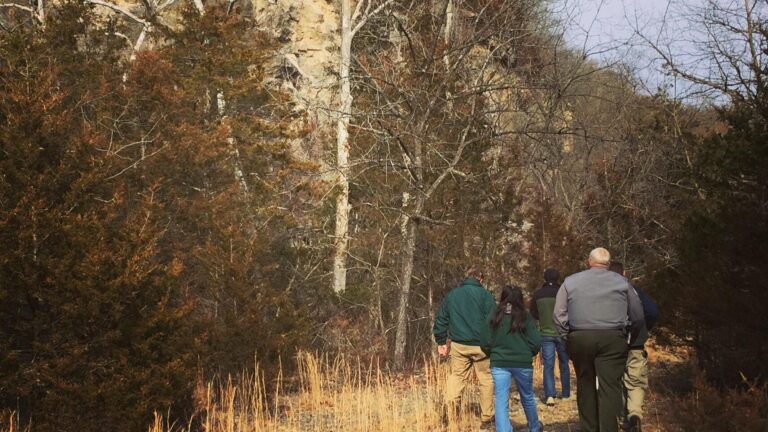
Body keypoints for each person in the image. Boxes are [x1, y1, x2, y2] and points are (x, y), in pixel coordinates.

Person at [553, 248, 645, 432]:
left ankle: (589, 428)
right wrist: (629, 336)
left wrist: (567, 335)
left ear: (589, 261)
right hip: (613, 337)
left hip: (580, 336)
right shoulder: (622, 282)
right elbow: (638, 316)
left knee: (585, 382)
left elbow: (558, 314)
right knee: (610, 386)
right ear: (608, 265)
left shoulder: (570, 282)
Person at [433, 266, 497, 429]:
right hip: (482, 346)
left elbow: (441, 319)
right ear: (480, 278)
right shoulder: (486, 295)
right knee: (485, 379)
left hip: (459, 345)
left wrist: (441, 341)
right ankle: (487, 418)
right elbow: (494, 321)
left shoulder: (453, 295)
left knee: (457, 377)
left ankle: (448, 414)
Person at [480, 285, 542, 432]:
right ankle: (534, 427)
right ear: (520, 299)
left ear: (502, 297)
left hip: (499, 363)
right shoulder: (525, 316)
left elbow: (484, 340)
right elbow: (536, 342)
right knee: (527, 396)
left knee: (501, 400)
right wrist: (528, 354)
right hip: (522, 363)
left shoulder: (494, 315)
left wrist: (492, 353)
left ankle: (503, 430)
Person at [608, 261, 659, 432]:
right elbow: (652, 311)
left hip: (613, 344)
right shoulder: (634, 290)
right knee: (635, 382)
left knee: (619, 381)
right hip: (636, 343)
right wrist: (644, 328)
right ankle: (635, 414)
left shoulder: (606, 293)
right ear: (624, 272)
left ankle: (623, 418)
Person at [530, 267, 571, 406]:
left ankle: (550, 395)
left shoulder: (538, 294)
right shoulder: (563, 293)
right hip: (562, 333)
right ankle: (565, 394)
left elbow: (533, 314)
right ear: (558, 278)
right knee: (564, 363)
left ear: (545, 279)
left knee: (548, 365)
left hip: (545, 333)